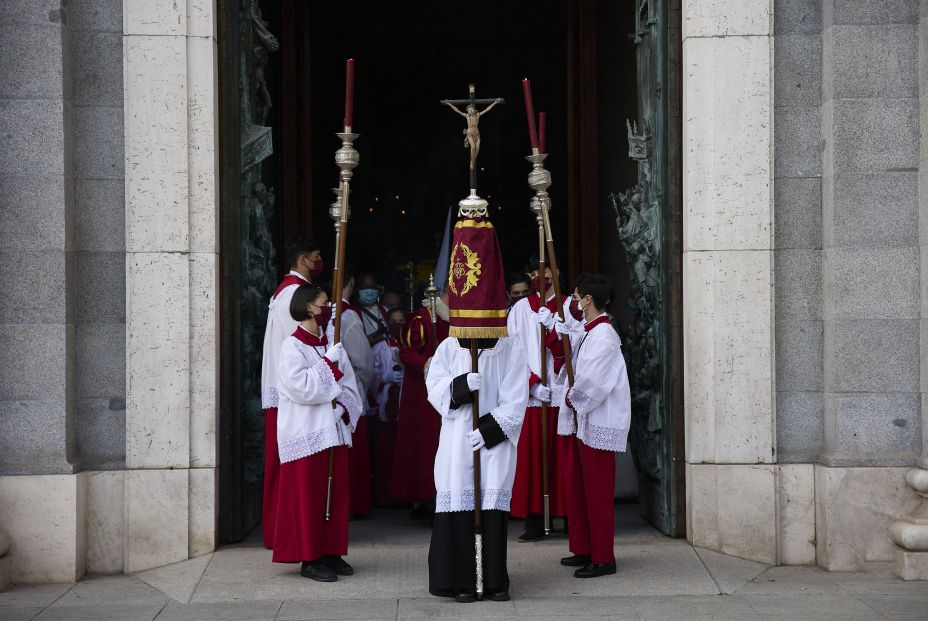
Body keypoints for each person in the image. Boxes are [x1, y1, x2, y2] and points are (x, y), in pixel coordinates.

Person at [425, 335, 528, 602]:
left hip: (493, 442)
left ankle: (492, 580)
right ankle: (462, 581)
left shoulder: (510, 347)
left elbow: (517, 397)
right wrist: (459, 386)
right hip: (457, 437)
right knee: (459, 505)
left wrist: (489, 430)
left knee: (491, 507)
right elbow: (434, 387)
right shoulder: (448, 347)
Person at [272, 284, 363, 582]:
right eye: (325, 304)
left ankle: (331, 551)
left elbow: (349, 384)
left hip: (333, 430)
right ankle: (309, 558)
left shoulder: (329, 343)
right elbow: (299, 387)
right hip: (306, 434)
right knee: (309, 496)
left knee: (334, 494)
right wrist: (327, 364)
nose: (329, 309)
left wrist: (342, 408)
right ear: (310, 306)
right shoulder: (292, 347)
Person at [553, 273, 631, 578]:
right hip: (580, 421)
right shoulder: (589, 332)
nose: (573, 301)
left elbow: (595, 380)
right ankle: (584, 548)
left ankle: (603, 558)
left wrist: (574, 398)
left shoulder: (605, 336)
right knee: (577, 489)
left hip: (596, 421)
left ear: (588, 299)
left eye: (575, 296)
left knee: (597, 495)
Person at [506, 259, 580, 541]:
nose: (539, 276)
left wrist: (556, 331)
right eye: (534, 272)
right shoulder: (520, 310)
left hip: (561, 393)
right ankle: (536, 518)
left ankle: (567, 514)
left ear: (556, 273)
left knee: (564, 458)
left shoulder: (569, 308)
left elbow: (577, 347)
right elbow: (510, 353)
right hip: (534, 396)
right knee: (535, 459)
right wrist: (532, 384)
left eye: (545, 271)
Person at [259, 239, 323, 548]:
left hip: (286, 388)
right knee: (289, 467)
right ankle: (282, 531)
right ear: (303, 259)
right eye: (316, 256)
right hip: (293, 391)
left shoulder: (286, 290)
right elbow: (300, 342)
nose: (319, 261)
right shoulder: (295, 295)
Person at [390, 291, 450, 516]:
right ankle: (427, 497)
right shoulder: (422, 318)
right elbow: (405, 352)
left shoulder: (464, 318)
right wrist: (427, 364)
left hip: (454, 389)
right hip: (423, 393)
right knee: (427, 444)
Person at [330, 266, 376, 518]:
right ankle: (356, 504)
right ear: (352, 283)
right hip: (350, 390)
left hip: (328, 391)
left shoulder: (325, 312)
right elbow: (364, 360)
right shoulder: (347, 315)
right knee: (355, 454)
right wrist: (368, 387)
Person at [370, 307, 406, 506]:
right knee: (385, 456)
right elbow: (370, 374)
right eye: (394, 321)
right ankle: (385, 496)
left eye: (401, 320)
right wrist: (385, 378)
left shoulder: (412, 343)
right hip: (385, 403)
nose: (398, 324)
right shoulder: (380, 347)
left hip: (404, 403)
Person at [357, 273, 390, 346]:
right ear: (358, 290)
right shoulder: (354, 312)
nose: (369, 291)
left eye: (372, 287)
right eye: (366, 287)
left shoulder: (384, 310)